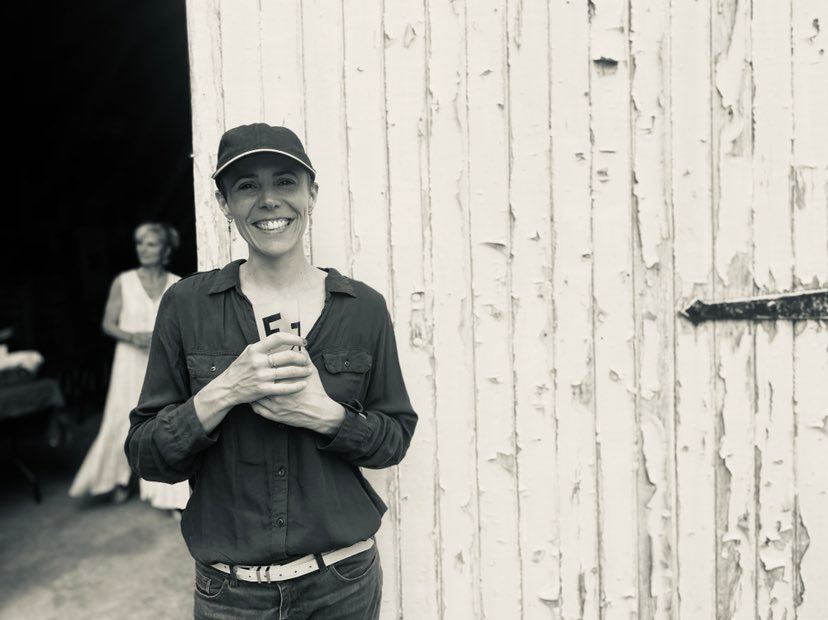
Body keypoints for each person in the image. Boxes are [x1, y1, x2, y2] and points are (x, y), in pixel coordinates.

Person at [125, 123, 417, 619]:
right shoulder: (186, 306)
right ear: (224, 203)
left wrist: (327, 415)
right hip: (231, 595)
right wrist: (225, 390)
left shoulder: (363, 308)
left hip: (343, 584)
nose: (268, 200)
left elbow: (394, 440)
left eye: (285, 181)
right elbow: (147, 455)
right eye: (247, 186)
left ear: (311, 194)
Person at [70, 222, 189, 513]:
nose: (143, 249)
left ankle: (167, 492)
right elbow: (107, 324)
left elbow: (185, 327)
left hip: (162, 361)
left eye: (151, 244)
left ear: (165, 250)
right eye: (139, 243)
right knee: (121, 417)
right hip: (128, 359)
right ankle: (117, 478)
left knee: (162, 417)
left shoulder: (177, 283)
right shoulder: (123, 282)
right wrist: (132, 336)